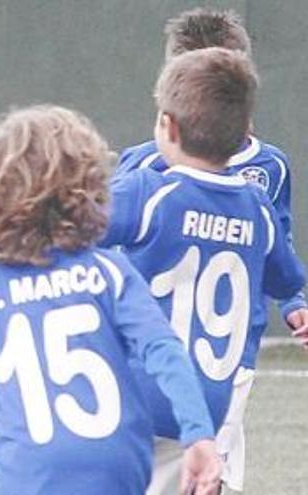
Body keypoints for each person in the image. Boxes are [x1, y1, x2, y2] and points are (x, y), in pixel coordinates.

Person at [0, 103, 222, 495]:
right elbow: (163, 350)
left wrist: (14, 473)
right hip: (115, 470)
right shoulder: (108, 273)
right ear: (90, 187)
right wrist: (199, 433)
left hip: (29, 476)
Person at [101, 47, 307, 495]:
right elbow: (288, 280)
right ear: (243, 135)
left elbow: (71, 232)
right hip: (206, 409)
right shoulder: (260, 211)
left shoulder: (148, 192)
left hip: (133, 394)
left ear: (168, 126)